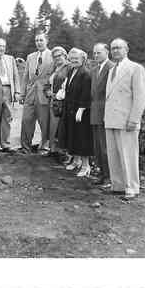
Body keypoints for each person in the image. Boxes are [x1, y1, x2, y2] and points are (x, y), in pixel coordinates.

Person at [105, 38, 145, 201]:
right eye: (113, 48)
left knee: (128, 155)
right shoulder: (111, 71)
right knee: (114, 154)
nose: (115, 51)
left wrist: (134, 119)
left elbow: (140, 96)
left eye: (119, 48)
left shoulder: (136, 69)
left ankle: (132, 187)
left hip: (126, 120)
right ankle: (118, 186)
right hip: (111, 119)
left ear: (126, 49)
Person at [60, 48, 93, 177]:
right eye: (71, 58)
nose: (73, 61)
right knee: (73, 136)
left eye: (76, 59)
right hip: (70, 109)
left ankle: (86, 166)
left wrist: (81, 109)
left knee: (82, 138)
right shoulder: (71, 70)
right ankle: (76, 160)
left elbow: (86, 94)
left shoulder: (86, 73)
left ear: (83, 59)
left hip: (81, 111)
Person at [20, 32, 53, 153]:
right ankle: (25, 147)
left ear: (46, 41)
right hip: (30, 95)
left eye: (41, 40)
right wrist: (22, 93)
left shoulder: (52, 56)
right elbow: (25, 77)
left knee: (44, 122)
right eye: (37, 40)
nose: (38, 43)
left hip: (44, 95)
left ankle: (44, 147)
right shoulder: (30, 57)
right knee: (26, 120)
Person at [90, 43, 114, 188]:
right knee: (98, 146)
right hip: (95, 112)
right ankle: (102, 174)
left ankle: (110, 177)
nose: (96, 55)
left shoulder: (111, 68)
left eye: (99, 53)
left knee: (106, 147)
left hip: (106, 113)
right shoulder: (94, 70)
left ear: (106, 52)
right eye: (94, 53)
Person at [46, 46, 69, 158]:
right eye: (54, 57)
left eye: (59, 55)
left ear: (65, 55)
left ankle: (61, 152)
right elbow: (47, 83)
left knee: (60, 127)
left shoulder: (69, 68)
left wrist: (56, 95)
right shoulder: (54, 68)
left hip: (61, 102)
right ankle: (53, 149)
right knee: (53, 126)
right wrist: (47, 91)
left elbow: (68, 86)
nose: (57, 58)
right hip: (52, 102)